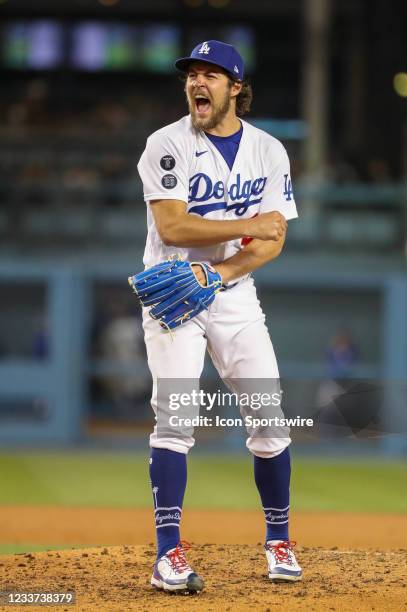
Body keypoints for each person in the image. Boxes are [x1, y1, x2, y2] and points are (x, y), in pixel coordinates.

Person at [137, 40, 302, 594]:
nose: (197, 83)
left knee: (269, 413)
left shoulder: (269, 150)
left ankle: (279, 541)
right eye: (191, 74)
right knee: (175, 417)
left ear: (236, 88)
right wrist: (247, 224)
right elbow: (174, 229)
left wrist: (222, 274)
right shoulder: (167, 144)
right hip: (174, 289)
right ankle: (167, 557)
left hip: (228, 289)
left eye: (211, 74)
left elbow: (274, 240)